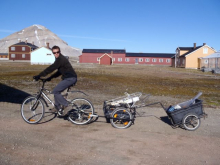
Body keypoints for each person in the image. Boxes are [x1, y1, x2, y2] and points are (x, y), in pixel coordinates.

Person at [33, 45, 77, 114]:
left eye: (57, 52)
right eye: (54, 53)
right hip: (69, 78)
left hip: (70, 78)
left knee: (55, 91)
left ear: (60, 52)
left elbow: (51, 68)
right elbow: (59, 72)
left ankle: (66, 106)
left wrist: (39, 75)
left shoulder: (60, 59)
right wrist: (49, 78)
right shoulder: (60, 59)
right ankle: (57, 107)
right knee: (56, 91)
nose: (56, 54)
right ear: (52, 53)